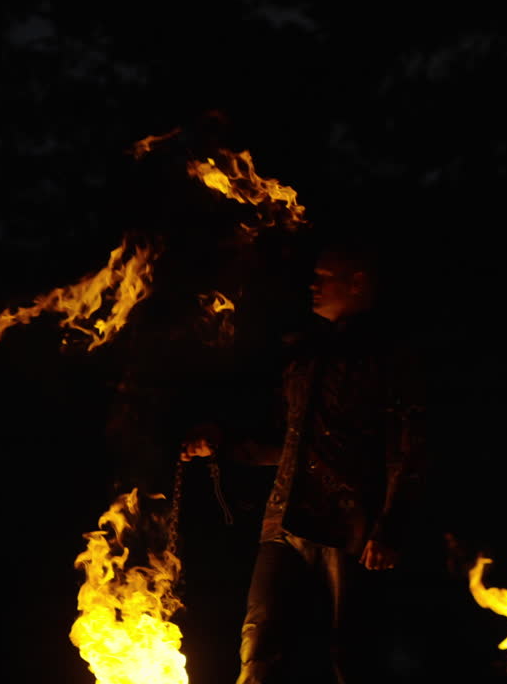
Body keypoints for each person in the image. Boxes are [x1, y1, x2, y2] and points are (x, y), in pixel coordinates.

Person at [182, 234, 427, 684]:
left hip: (347, 525)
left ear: (357, 283)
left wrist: (390, 524)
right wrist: (222, 446)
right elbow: (289, 443)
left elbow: (407, 447)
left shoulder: (387, 359)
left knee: (350, 651)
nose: (311, 287)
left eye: (323, 279)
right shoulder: (304, 356)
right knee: (259, 641)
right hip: (283, 519)